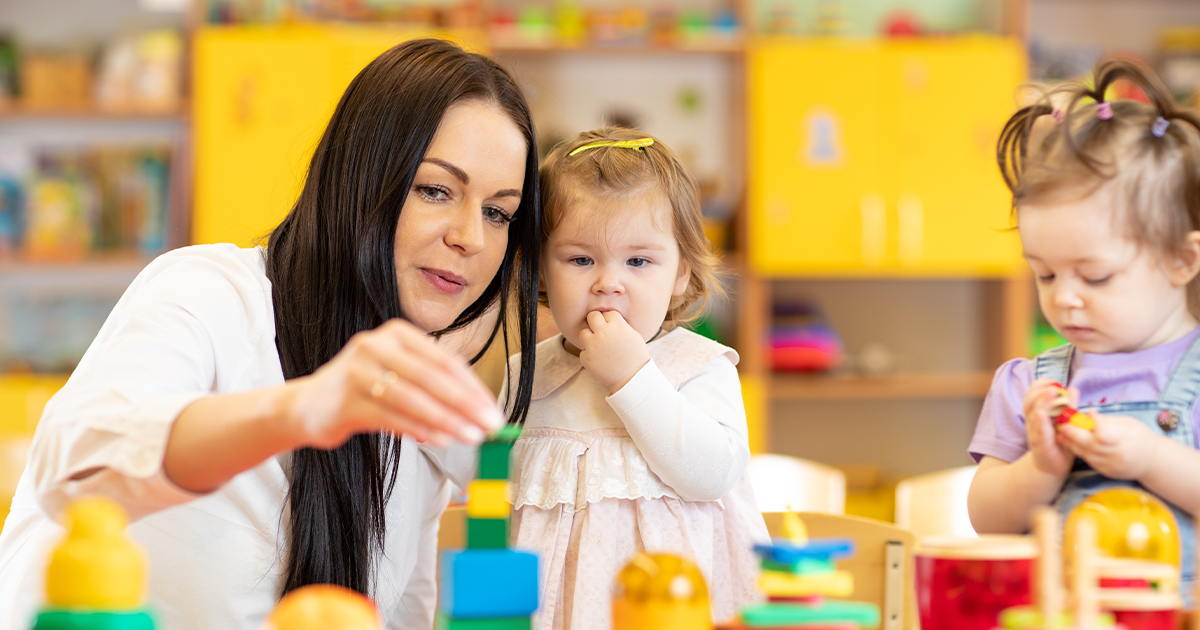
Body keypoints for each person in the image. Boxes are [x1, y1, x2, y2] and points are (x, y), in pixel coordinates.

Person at [0, 38, 542, 630]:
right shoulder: (209, 293)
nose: (474, 237)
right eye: (435, 190)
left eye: (498, 213)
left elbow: (401, 612)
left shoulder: (408, 412)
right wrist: (301, 409)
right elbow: (74, 463)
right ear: (358, 177)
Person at [504, 127, 768, 630]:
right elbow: (500, 488)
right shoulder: (527, 374)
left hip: (673, 612)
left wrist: (631, 375)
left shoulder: (699, 366)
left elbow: (712, 474)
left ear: (680, 274)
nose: (608, 282)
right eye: (580, 260)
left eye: (639, 261)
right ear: (541, 271)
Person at [967, 59, 1200, 604]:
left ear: (1182, 261)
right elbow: (987, 521)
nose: (1063, 297)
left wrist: (1152, 459)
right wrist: (1041, 466)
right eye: (1044, 273)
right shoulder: (1027, 384)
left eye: (1095, 275)